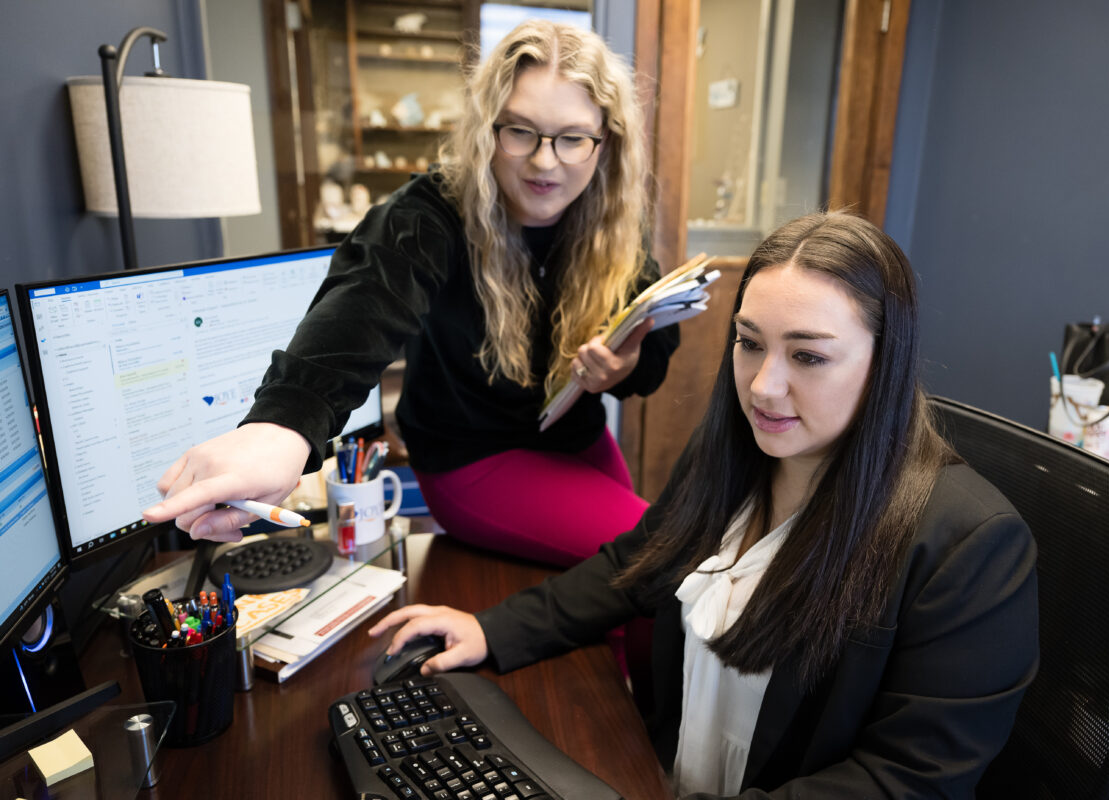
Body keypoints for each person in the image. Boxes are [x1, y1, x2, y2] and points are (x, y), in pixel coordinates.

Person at [367, 212, 1040, 798]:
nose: (765, 387)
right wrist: (493, 630)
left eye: (808, 357)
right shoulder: (737, 457)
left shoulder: (969, 546)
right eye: (750, 344)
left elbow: (907, 783)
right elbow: (637, 562)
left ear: (885, 361)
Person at [143, 20, 679, 567]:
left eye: (572, 138)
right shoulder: (432, 213)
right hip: (473, 459)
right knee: (658, 560)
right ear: (486, 128)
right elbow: (364, 301)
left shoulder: (609, 216)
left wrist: (626, 365)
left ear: (605, 141)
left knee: (648, 582)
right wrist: (283, 426)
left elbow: (655, 346)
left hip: (574, 437)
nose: (545, 161)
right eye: (519, 131)